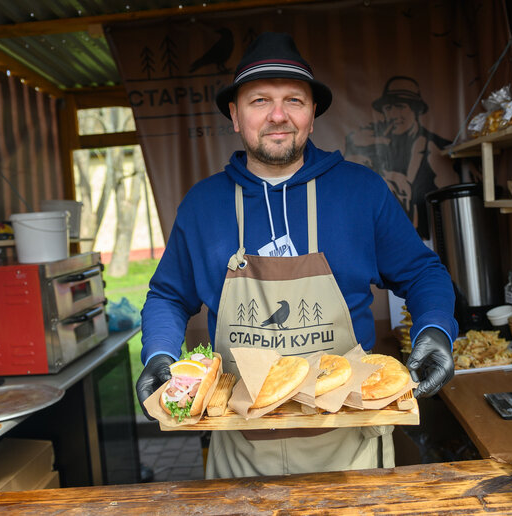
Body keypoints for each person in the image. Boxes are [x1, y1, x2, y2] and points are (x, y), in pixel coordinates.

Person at [136, 32, 457, 479]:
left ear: (311, 115)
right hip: (239, 444)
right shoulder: (202, 205)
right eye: (259, 100)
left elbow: (423, 273)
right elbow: (168, 296)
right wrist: (158, 355)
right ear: (234, 114)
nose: (278, 115)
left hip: (350, 442)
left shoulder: (360, 191)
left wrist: (436, 330)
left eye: (294, 100)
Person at [345, 76, 458, 239]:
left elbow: (449, 202)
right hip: (387, 243)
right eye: (388, 108)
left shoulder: (435, 146)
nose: (393, 114)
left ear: (416, 110)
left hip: (430, 240)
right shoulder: (373, 145)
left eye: (400, 106)